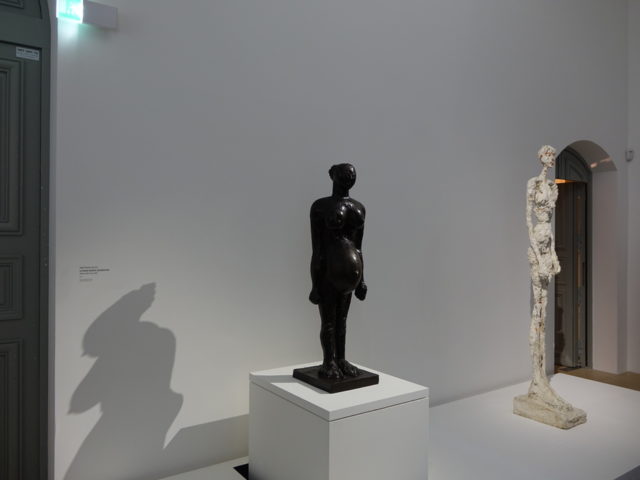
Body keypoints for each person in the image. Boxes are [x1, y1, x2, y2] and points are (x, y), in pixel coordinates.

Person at [309, 163, 367, 379]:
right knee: (329, 322)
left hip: (350, 277)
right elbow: (317, 248)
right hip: (329, 273)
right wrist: (315, 284)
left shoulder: (359, 208)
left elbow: (358, 247)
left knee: (342, 321)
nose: (349, 176)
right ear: (333, 176)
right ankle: (328, 362)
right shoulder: (320, 207)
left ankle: (341, 359)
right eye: (344, 173)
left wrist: (361, 280)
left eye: (352, 173)